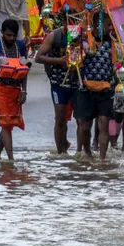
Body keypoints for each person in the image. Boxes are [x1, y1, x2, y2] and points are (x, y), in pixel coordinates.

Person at [0, 19, 31, 160]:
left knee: (8, 125)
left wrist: (24, 90)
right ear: (2, 33)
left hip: (14, 88)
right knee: (5, 122)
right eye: (8, 35)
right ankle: (11, 159)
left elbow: (24, 69)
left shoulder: (21, 46)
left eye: (14, 36)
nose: (11, 38)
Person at [74, 13, 116, 161]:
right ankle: (87, 153)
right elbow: (73, 62)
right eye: (107, 24)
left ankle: (102, 160)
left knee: (103, 124)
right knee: (84, 126)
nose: (110, 27)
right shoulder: (82, 41)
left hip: (106, 90)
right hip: (85, 90)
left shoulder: (113, 43)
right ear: (99, 24)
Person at [35, 9, 78, 154]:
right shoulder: (54, 36)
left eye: (76, 22)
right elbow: (38, 57)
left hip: (76, 83)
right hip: (58, 82)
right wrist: (59, 61)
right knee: (60, 117)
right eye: (70, 22)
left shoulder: (82, 35)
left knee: (81, 119)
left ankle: (81, 152)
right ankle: (61, 153)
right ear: (64, 21)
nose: (73, 26)